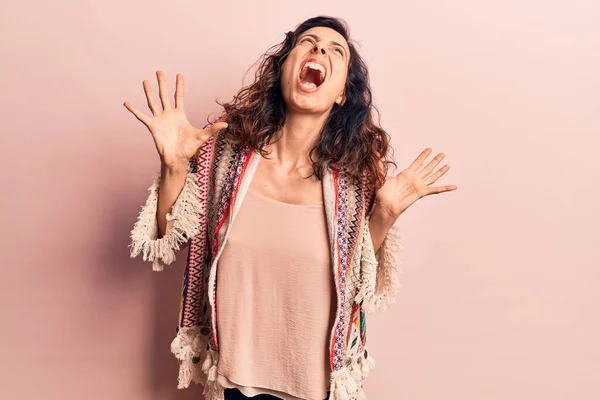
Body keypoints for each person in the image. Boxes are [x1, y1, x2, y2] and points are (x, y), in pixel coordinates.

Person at [124, 15, 456, 400]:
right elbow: (171, 239)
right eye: (307, 42)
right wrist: (174, 166)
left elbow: (357, 285)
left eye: (336, 51)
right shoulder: (224, 158)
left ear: (340, 95)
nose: (318, 50)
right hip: (234, 385)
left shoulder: (355, 183)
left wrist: (382, 214)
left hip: (317, 391)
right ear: (283, 69)